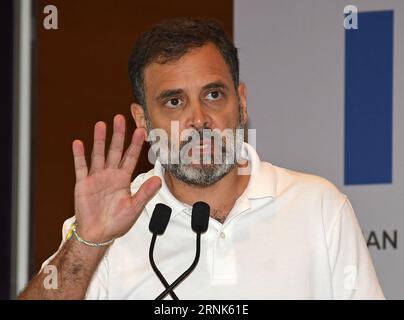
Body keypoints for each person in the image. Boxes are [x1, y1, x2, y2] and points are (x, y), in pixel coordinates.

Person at [18, 17, 384, 300]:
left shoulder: (318, 207)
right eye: (174, 102)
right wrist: (87, 242)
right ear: (143, 120)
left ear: (240, 103)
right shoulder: (107, 225)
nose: (198, 119)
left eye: (213, 95)